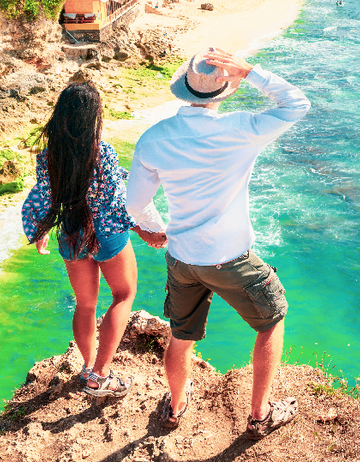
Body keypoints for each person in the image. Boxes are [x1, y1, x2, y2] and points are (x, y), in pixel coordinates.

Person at [127, 48, 309, 439]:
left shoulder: (154, 138)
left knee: (180, 334)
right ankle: (259, 415)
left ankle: (175, 407)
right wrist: (251, 72)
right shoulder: (240, 129)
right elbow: (296, 104)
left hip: (182, 257)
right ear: (223, 91)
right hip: (229, 259)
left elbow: (135, 204)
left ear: (184, 89)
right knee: (272, 317)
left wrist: (155, 230)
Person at [22, 81, 167, 398]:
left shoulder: (48, 157)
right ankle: (100, 376)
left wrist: (39, 229)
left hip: (72, 233)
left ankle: (88, 367)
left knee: (85, 305)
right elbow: (118, 200)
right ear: (93, 117)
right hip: (105, 232)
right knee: (124, 295)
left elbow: (44, 198)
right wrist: (143, 230)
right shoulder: (102, 152)